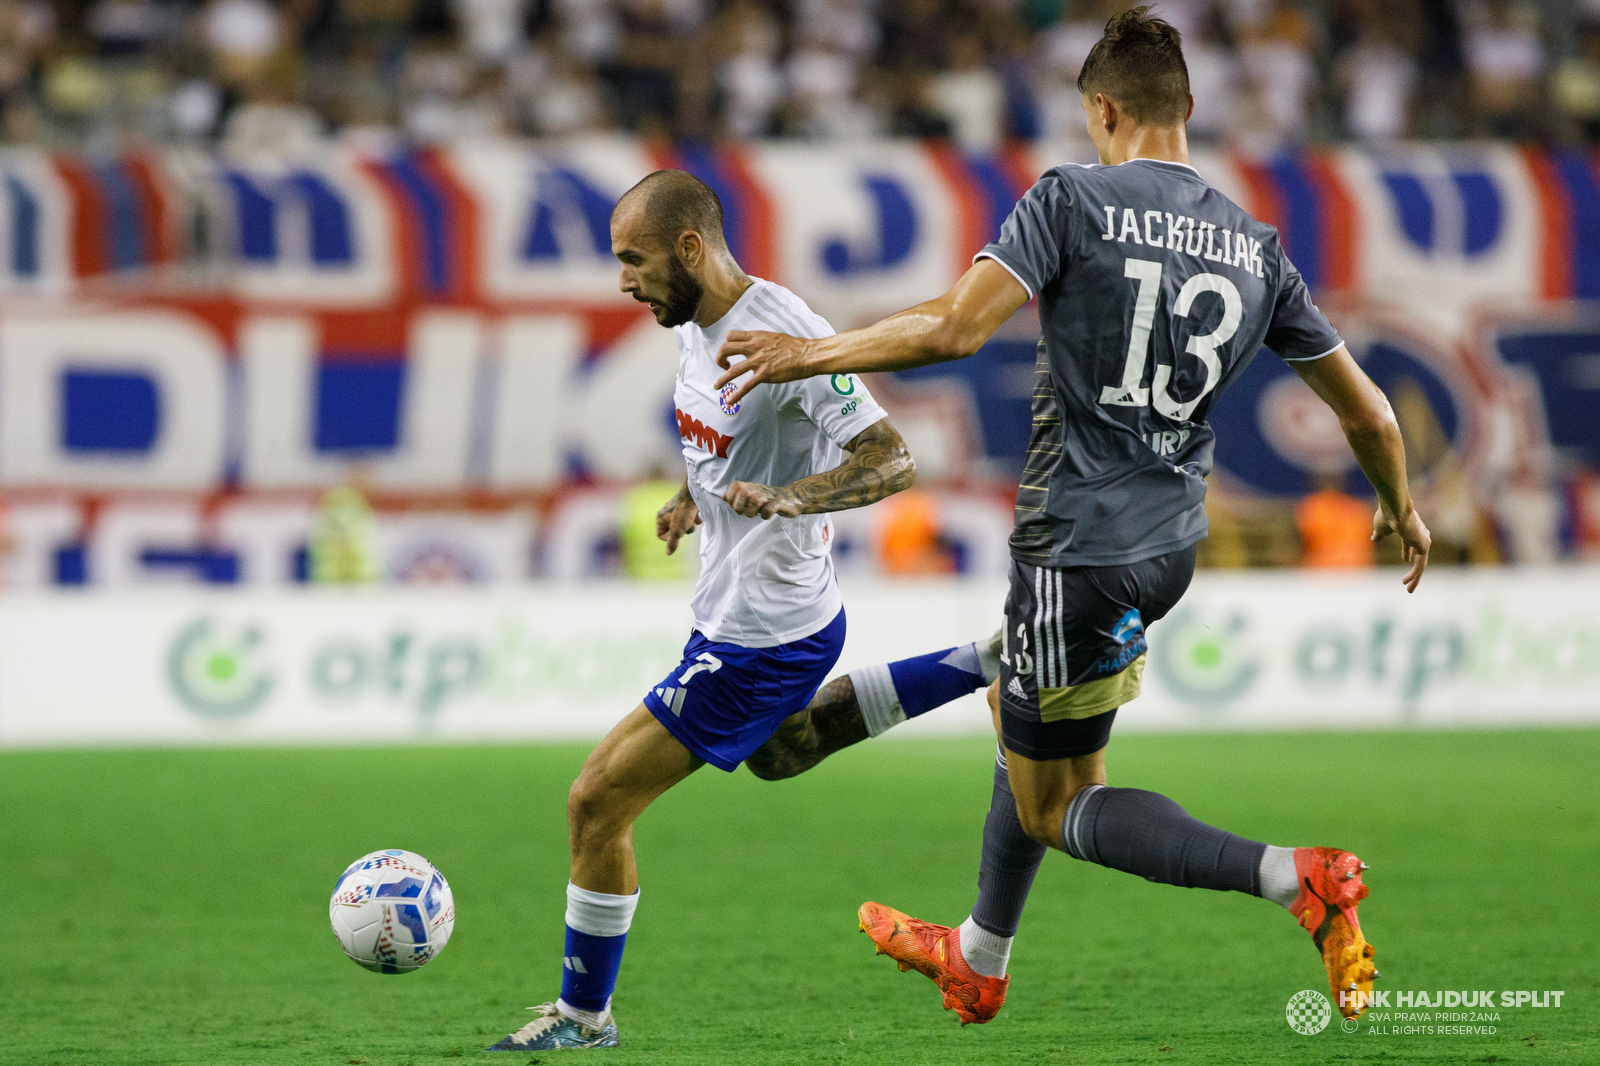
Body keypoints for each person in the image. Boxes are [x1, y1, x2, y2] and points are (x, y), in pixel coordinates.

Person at [714, 7, 1431, 1026]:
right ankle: (978, 953)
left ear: (1100, 111)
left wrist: (806, 353)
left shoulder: (1071, 200)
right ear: (1185, 108)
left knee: (1058, 803)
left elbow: (957, 328)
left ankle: (1290, 877)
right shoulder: (1255, 245)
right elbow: (1366, 409)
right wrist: (1399, 504)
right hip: (1169, 548)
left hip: (1076, 546)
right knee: (1028, 708)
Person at [487, 169, 998, 1051]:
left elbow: (891, 459)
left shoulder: (786, 335)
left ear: (690, 248)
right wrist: (698, 495)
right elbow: (717, 429)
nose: (624, 280)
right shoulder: (693, 323)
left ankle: (582, 1017)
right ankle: (994, 658)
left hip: (762, 634)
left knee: (595, 801)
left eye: (632, 260)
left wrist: (799, 497)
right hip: (744, 614)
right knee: (783, 751)